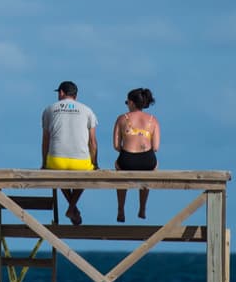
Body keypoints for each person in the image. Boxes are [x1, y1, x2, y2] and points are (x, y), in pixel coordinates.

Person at [41, 80, 98, 225]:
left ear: (61, 93)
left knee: (57, 174)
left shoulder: (49, 109)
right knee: (87, 173)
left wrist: (44, 163)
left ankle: (73, 209)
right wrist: (95, 163)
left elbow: (45, 141)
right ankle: (72, 208)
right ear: (75, 96)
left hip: (56, 161)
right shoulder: (87, 110)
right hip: (80, 162)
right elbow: (92, 142)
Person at [112, 87, 159, 222]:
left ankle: (121, 208)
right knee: (152, 169)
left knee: (119, 169)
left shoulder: (122, 118)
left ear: (132, 103)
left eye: (127, 102)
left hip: (127, 159)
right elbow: (155, 147)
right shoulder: (153, 120)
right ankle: (142, 207)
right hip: (147, 160)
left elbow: (116, 146)